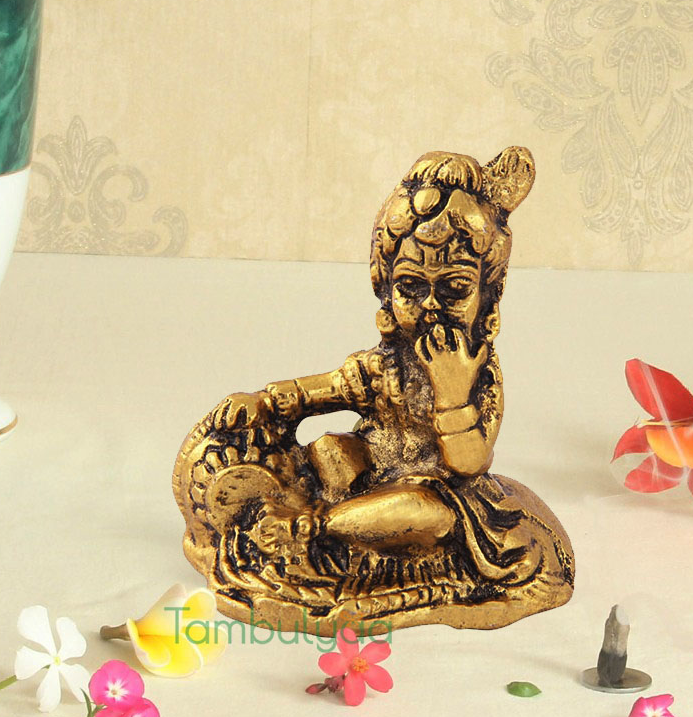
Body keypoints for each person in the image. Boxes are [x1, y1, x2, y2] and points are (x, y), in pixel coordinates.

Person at [173, 147, 574, 632]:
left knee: (425, 513)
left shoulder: (477, 374)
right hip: (370, 476)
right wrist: (264, 400)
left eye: (453, 290)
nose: (430, 306)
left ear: (488, 294)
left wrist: (451, 392)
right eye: (410, 287)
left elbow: (469, 463)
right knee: (330, 449)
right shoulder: (384, 365)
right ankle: (322, 526)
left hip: (441, 495)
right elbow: (323, 390)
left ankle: (312, 527)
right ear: (384, 287)